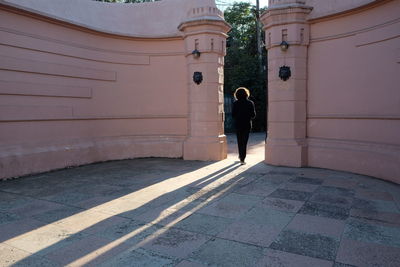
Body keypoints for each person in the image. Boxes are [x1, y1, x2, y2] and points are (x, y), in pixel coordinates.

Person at [232, 87, 256, 165]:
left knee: (239, 141)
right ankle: (242, 158)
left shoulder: (235, 103)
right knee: (244, 142)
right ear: (246, 94)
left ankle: (241, 156)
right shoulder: (250, 103)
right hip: (247, 124)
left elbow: (233, 115)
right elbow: (253, 115)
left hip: (238, 124)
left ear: (237, 94)